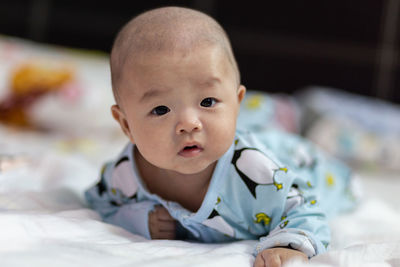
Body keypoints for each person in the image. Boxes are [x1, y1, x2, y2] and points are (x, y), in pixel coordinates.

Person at [85, 6, 355, 267]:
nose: (188, 124)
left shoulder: (257, 171)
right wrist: (138, 218)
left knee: (325, 159)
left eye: (208, 101)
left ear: (237, 103)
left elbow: (306, 207)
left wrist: (287, 245)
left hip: (307, 164)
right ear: (126, 124)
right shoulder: (125, 174)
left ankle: (304, 117)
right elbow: (101, 201)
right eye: (161, 109)